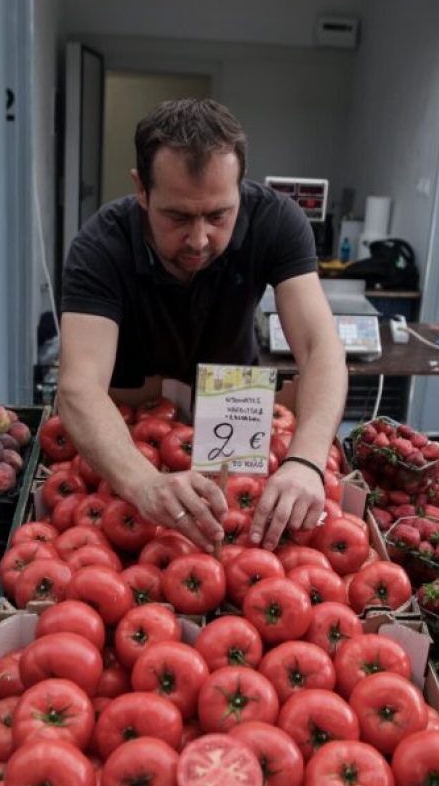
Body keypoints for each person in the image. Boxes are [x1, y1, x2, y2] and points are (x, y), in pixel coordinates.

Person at [57, 99, 347, 552]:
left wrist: (306, 462)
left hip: (236, 420)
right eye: (177, 217)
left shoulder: (277, 221)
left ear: (240, 187)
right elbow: (78, 387)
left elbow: (320, 349)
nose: (198, 239)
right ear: (141, 190)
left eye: (218, 216)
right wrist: (142, 481)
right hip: (123, 430)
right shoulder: (101, 245)